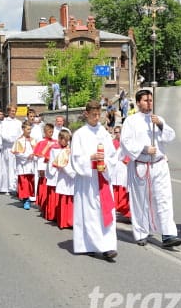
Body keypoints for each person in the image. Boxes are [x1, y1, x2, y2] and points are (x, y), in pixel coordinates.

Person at [120, 89, 181, 248]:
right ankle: (141, 232)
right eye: (146, 100)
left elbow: (170, 136)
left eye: (151, 100)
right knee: (141, 200)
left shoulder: (157, 119)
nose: (149, 103)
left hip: (159, 164)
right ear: (139, 102)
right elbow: (126, 142)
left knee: (164, 198)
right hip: (141, 165)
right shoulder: (131, 121)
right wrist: (144, 149)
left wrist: (160, 125)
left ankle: (168, 234)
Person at [69, 100, 119, 261]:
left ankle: (108, 244)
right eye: (94, 115)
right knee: (90, 213)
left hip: (103, 176)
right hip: (88, 179)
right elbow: (75, 158)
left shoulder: (104, 133)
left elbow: (112, 155)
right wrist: (90, 158)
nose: (97, 118)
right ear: (86, 114)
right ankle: (98, 246)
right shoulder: (79, 134)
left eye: (99, 115)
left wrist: (106, 163)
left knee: (106, 211)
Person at [52, 129, 74, 229]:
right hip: (65, 177)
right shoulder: (63, 152)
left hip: (71, 178)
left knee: (71, 200)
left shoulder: (70, 150)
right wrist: (73, 174)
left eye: (66, 140)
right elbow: (63, 165)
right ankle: (64, 221)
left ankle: (71, 221)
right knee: (65, 199)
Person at [13, 122, 38, 209]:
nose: (29, 131)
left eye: (30, 129)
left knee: (30, 182)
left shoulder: (33, 140)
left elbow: (36, 151)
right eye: (27, 129)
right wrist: (27, 156)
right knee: (24, 183)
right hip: (23, 164)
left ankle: (28, 197)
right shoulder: (19, 140)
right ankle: (25, 199)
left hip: (31, 164)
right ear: (23, 129)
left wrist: (34, 156)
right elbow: (17, 153)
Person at [110, 125, 131, 220]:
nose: (117, 134)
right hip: (115, 168)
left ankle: (125, 210)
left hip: (123, 167)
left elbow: (129, 153)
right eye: (116, 132)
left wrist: (126, 160)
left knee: (123, 188)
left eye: (119, 132)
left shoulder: (125, 143)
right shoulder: (112, 143)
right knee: (114, 187)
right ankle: (114, 208)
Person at [1, 104, 21, 193]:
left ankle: (15, 187)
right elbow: (3, 134)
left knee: (15, 168)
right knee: (7, 167)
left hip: (16, 147)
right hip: (8, 147)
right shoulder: (4, 122)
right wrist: (11, 139)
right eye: (12, 111)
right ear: (8, 111)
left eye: (14, 111)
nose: (13, 112)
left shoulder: (18, 122)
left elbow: (21, 134)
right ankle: (7, 187)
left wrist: (18, 141)